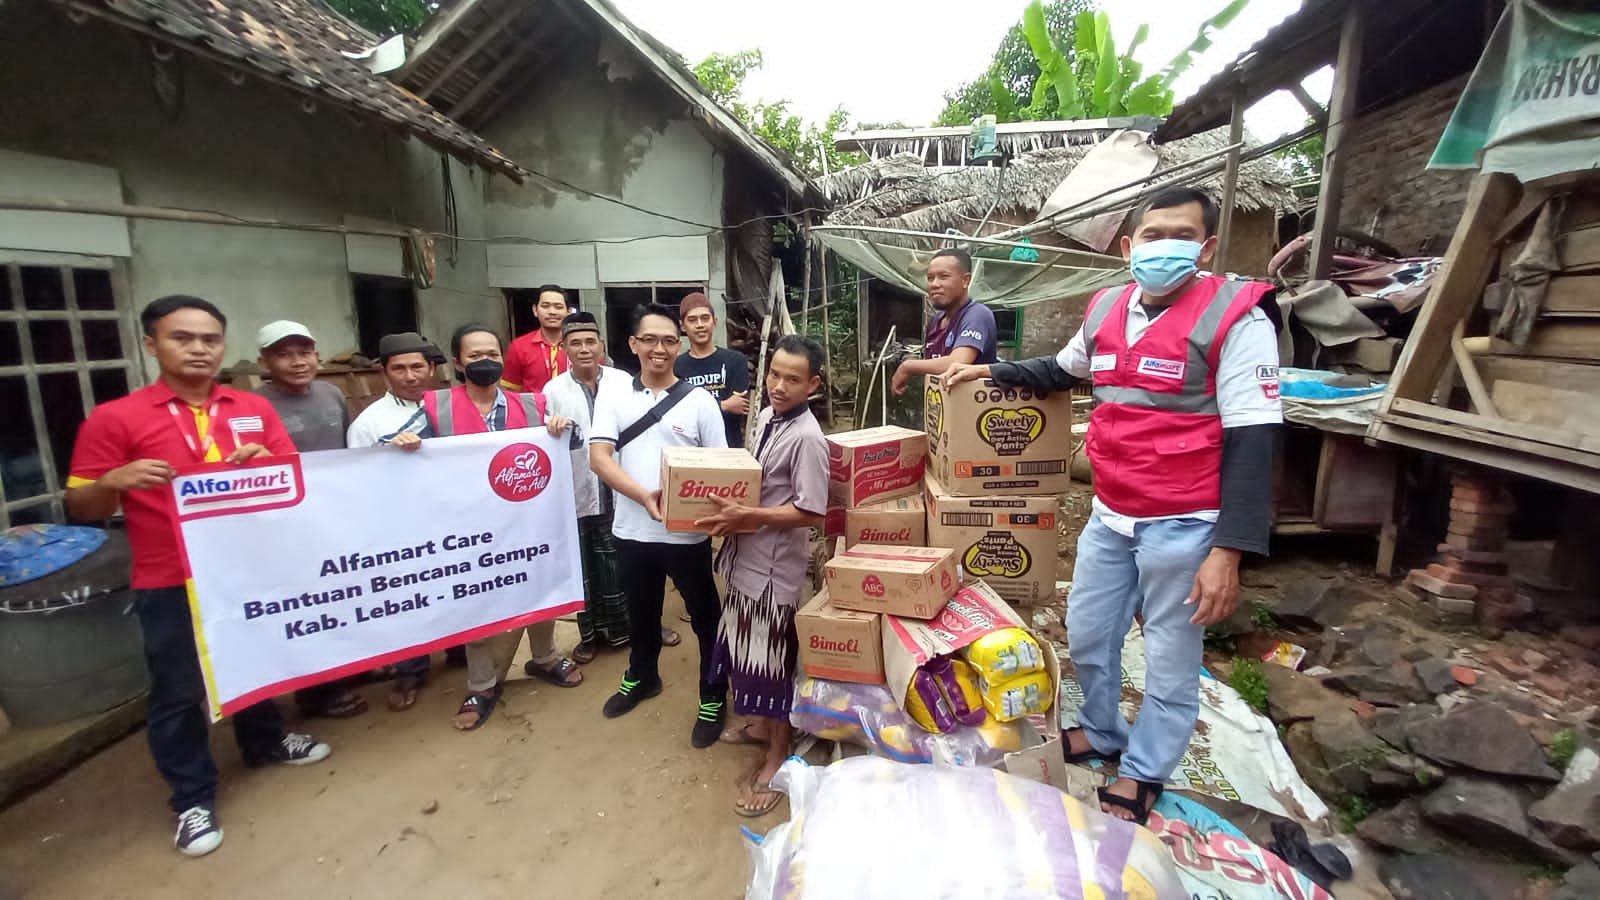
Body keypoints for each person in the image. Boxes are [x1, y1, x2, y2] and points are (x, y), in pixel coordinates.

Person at [944, 186, 1281, 826]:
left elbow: (1254, 438)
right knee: (1090, 631)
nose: (1165, 247)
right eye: (1152, 235)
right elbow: (1063, 369)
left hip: (1186, 520)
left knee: (1170, 656)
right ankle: (1102, 729)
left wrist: (1229, 551)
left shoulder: (1237, 318)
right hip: (1112, 510)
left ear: (1207, 247)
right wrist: (991, 372)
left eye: (1182, 235)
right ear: (1129, 247)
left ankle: (1145, 769)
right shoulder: (1107, 308)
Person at [66, 295, 331, 858]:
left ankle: (264, 742)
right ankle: (191, 797)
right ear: (151, 344)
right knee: (179, 689)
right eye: (181, 338)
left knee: (256, 659)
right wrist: (113, 481)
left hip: (248, 569)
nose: (198, 349)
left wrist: (267, 465)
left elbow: (295, 480)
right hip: (169, 576)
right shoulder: (116, 418)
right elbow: (81, 507)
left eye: (209, 339)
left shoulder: (252, 409)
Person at [390, 323, 582, 731]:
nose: (485, 362)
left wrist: (562, 427)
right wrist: (402, 443)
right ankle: (481, 684)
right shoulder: (437, 408)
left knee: (540, 589)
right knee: (476, 603)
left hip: (527, 522)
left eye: (492, 354)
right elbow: (390, 453)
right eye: (475, 356)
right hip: (468, 531)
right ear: (458, 363)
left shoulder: (531, 405)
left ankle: (545, 657)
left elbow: (575, 441)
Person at [697, 335, 828, 817]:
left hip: (773, 571)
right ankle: (758, 726)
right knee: (745, 653)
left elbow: (811, 510)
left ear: (813, 385)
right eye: (774, 373)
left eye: (793, 379)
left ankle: (777, 756)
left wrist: (748, 515)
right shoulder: (770, 416)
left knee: (771, 667)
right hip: (744, 558)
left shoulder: (808, 438)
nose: (779, 385)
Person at [588, 304, 729, 747]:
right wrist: (643, 497)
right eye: (649, 339)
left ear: (679, 345)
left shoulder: (700, 401)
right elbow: (599, 458)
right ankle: (642, 675)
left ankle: (713, 694)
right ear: (633, 344)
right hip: (632, 532)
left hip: (687, 535)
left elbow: (721, 467)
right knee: (642, 612)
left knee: (705, 616)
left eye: (669, 340)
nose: (659, 349)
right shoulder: (613, 397)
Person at [543, 311, 682, 662]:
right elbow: (542, 440)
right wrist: (551, 425)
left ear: (602, 346)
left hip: (626, 488)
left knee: (634, 566)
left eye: (591, 341)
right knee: (586, 569)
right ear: (564, 349)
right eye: (576, 343)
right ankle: (591, 635)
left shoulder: (624, 382)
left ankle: (646, 627)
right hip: (579, 491)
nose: (584, 349)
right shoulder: (553, 391)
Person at [254, 320, 368, 720]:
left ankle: (350, 671)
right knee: (307, 604)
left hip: (333, 513)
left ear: (316, 356)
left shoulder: (331, 394)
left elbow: (348, 450)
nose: (297, 362)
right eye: (284, 354)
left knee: (344, 594)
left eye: (304, 353)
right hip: (285, 522)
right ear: (264, 362)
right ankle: (316, 691)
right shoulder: (254, 407)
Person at [345, 331, 443, 711]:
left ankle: (458, 652)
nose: (410, 376)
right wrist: (388, 454)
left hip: (450, 519)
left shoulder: (449, 408)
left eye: (417, 366)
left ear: (431, 368)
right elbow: (359, 479)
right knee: (409, 597)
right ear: (384, 372)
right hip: (400, 524)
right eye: (399, 368)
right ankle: (411, 669)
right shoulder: (369, 423)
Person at [890, 247, 999, 395]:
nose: (934, 284)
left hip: (973, 405)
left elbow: (958, 362)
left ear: (965, 280)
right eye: (930, 278)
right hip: (940, 404)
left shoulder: (977, 315)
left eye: (944, 276)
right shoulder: (935, 321)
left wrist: (907, 366)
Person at [675, 292, 751, 448]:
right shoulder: (676, 366)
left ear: (714, 322)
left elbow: (739, 405)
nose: (700, 325)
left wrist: (694, 409)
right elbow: (678, 411)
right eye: (692, 320)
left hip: (729, 448)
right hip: (689, 451)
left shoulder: (736, 361)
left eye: (705, 318)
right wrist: (723, 405)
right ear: (682, 326)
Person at [502, 284, 572, 392]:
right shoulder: (519, 346)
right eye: (545, 306)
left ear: (568, 312)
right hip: (534, 403)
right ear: (535, 310)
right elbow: (512, 391)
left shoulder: (580, 345)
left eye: (558, 307)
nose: (552, 312)